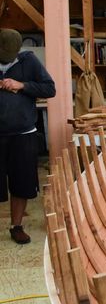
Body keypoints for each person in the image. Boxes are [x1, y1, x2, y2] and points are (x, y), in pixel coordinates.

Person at [0, 29, 56, 244]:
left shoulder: (29, 62)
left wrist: (21, 85)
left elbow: (49, 89)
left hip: (23, 134)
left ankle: (16, 226)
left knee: (21, 182)